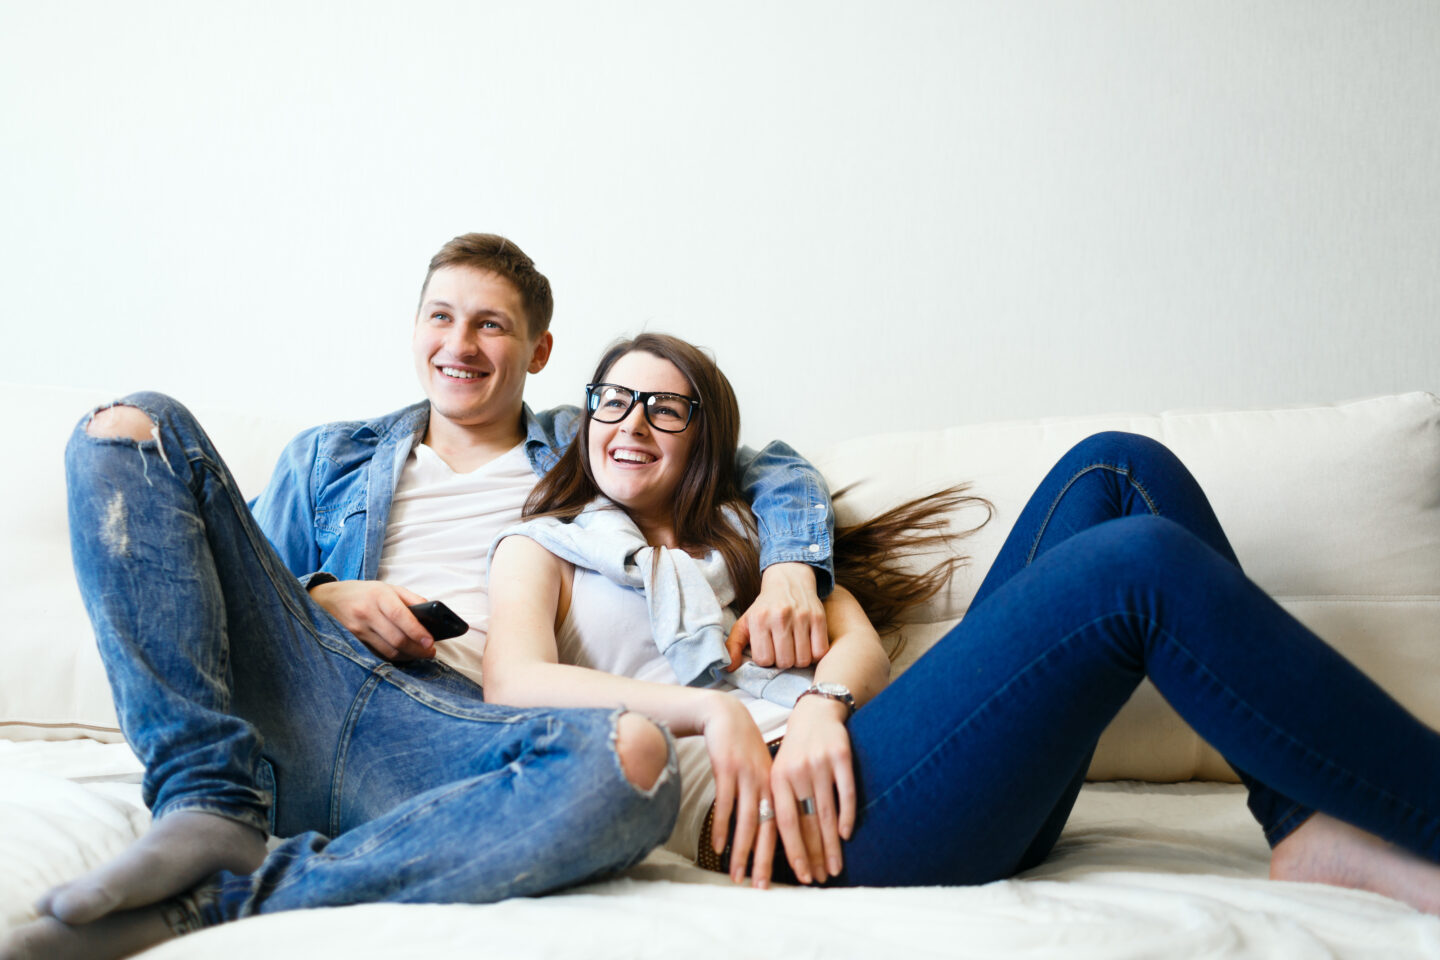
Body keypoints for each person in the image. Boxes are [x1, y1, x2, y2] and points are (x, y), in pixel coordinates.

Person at [1, 236, 837, 960]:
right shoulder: (328, 458)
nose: (459, 343)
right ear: (414, 331)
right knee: (131, 424)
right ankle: (206, 800)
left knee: (632, 765)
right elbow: (206, 591)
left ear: (539, 352)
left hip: (449, 735)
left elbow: (761, 461)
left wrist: (797, 565)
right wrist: (322, 594)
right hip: (300, 694)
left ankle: (220, 903)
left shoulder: (586, 453)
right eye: (440, 316)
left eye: (490, 324)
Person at [481, 332, 1440, 912]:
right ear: (586, 419)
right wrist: (712, 714)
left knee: (1116, 467)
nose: (632, 420)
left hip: (887, 765)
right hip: (801, 824)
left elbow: (852, 640)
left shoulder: (752, 546)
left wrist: (819, 703)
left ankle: (1302, 823)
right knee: (1136, 567)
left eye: (666, 407)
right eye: (613, 399)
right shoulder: (544, 550)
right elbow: (511, 682)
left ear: (705, 442)